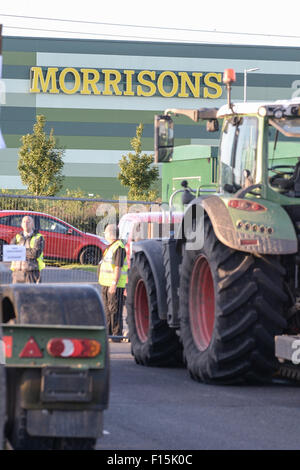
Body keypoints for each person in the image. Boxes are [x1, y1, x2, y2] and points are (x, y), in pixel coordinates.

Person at [98, 224, 128, 341]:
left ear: (110, 234)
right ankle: (109, 333)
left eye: (105, 232)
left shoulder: (118, 247)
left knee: (114, 310)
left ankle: (116, 335)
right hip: (106, 284)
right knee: (107, 309)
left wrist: (114, 284)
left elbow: (118, 267)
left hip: (113, 285)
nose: (104, 235)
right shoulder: (111, 247)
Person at [10, 215, 45, 284]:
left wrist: (18, 250)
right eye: (24, 221)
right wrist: (27, 251)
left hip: (32, 273)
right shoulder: (17, 237)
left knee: (31, 294)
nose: (26, 223)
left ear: (32, 224)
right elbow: (11, 252)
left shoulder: (39, 237)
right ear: (21, 224)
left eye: (28, 222)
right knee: (16, 294)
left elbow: (34, 254)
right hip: (17, 272)